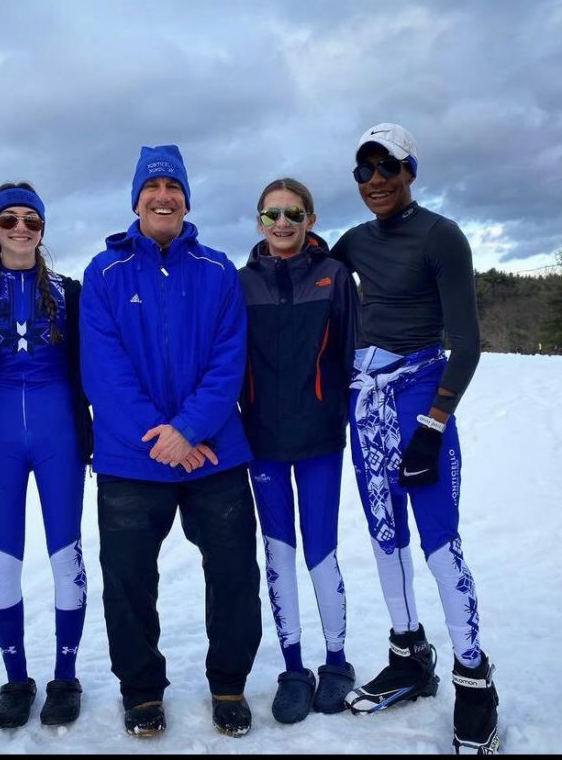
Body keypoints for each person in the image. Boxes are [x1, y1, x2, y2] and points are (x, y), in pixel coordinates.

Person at [80, 144, 262, 738]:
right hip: (131, 458)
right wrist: (161, 438)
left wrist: (190, 430)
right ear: (136, 199)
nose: (163, 197)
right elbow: (104, 371)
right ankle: (141, 692)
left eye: (174, 188)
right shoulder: (103, 275)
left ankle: (229, 684)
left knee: (234, 572)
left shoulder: (217, 271)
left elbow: (229, 359)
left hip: (213, 453)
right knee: (130, 580)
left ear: (187, 199)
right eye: (152, 187)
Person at [330, 123, 499, 754]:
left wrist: (432, 425)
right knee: (383, 536)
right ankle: (409, 655)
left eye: (387, 168)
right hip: (364, 401)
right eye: (363, 171)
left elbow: (469, 345)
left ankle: (475, 679)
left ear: (410, 171)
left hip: (418, 395)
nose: (375, 181)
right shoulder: (351, 242)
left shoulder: (440, 235)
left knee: (438, 541)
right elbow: (302, 273)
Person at [237, 178, 358, 724]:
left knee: (321, 550)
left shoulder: (334, 277)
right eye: (271, 215)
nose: (282, 223)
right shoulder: (240, 284)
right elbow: (228, 362)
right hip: (263, 440)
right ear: (258, 221)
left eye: (293, 213)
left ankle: (336, 662)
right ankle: (293, 667)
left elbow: (352, 355)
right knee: (278, 551)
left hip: (318, 438)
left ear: (310, 218)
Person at [0, 181, 92, 729]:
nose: (21, 229)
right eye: (9, 221)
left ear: (42, 230)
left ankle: (64, 677)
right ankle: (16, 679)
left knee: (65, 558)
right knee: (4, 564)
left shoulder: (69, 290)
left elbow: (100, 363)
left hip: (58, 437)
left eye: (32, 221)